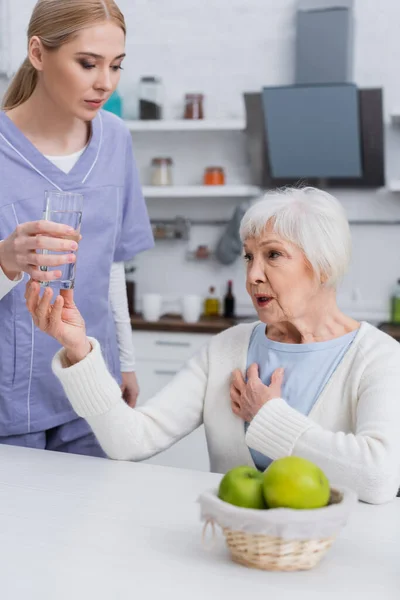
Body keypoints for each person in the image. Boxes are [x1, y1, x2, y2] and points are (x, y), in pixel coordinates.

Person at [26, 187, 400, 503]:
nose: (253, 275)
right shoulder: (227, 348)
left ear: (323, 265)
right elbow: (130, 440)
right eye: (249, 257)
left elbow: (379, 477)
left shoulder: (377, 357)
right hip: (232, 554)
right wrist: (78, 350)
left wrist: (267, 416)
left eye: (273, 255)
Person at [0, 0, 153, 456]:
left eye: (116, 66)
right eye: (87, 64)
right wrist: (6, 260)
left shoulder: (115, 139)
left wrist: (124, 363)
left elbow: (110, 266)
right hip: (11, 406)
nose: (104, 82)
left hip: (89, 387)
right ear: (38, 53)